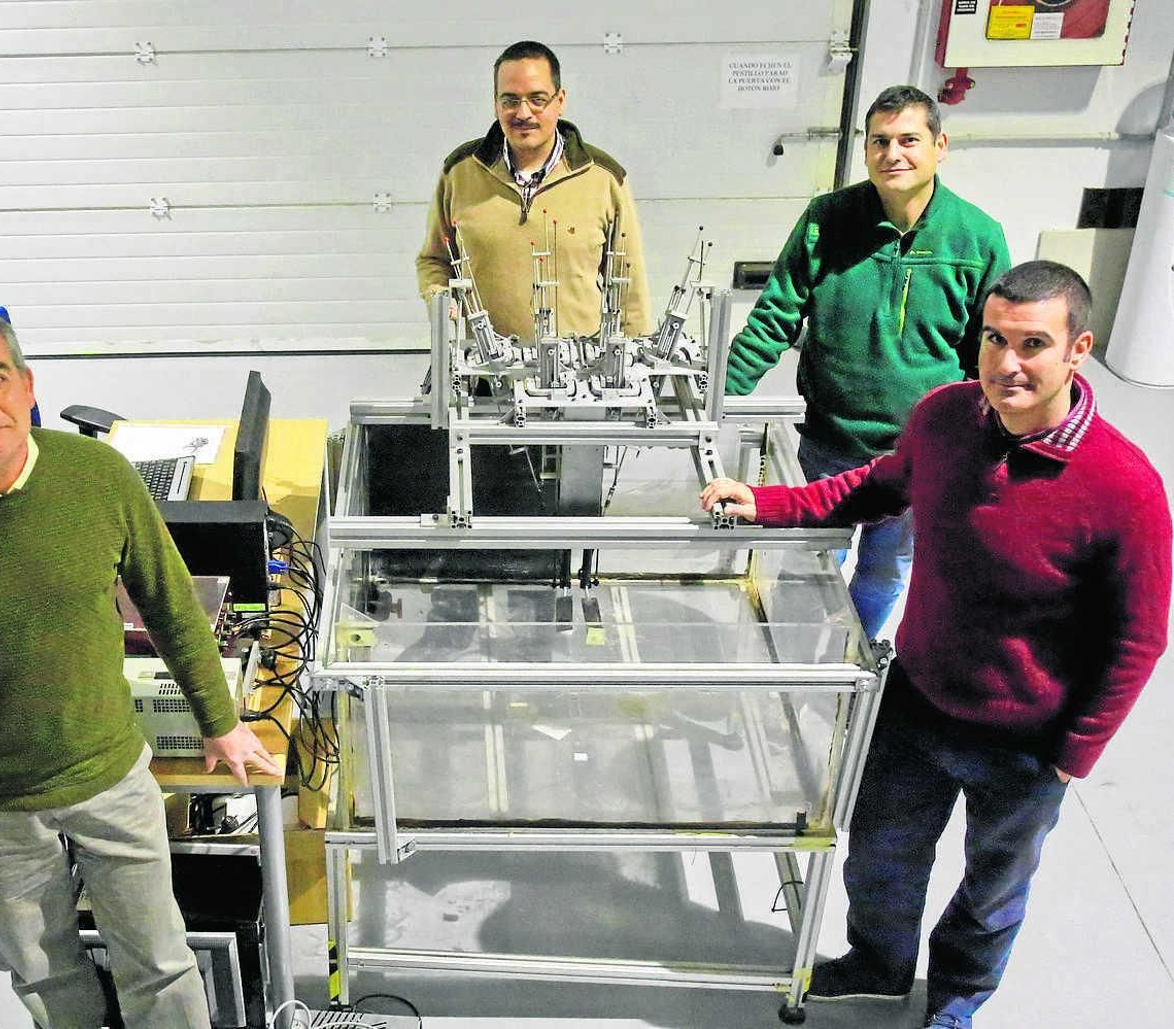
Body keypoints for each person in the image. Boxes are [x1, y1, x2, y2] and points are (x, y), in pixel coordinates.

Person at [701, 261, 1171, 1029]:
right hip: (917, 700)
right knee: (880, 855)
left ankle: (956, 998)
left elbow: (1139, 636)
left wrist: (1073, 750)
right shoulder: (946, 417)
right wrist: (769, 501)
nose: (1006, 363)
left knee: (993, 887)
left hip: (1026, 738)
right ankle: (880, 965)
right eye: (994, 338)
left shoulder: (1123, 484)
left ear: (1079, 349)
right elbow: (874, 488)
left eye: (1032, 344)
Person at [0, 309, 281, 1028]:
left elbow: (171, 605)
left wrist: (221, 720)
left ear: (26, 385)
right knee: (48, 977)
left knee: (161, 963)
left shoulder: (97, 477)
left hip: (110, 776)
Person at [723, 84, 1011, 638]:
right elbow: (775, 318)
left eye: (908, 139)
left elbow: (990, 355)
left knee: (884, 570)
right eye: (880, 141)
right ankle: (794, 664)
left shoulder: (977, 237)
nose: (892, 154)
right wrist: (716, 399)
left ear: (939, 145)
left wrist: (980, 445)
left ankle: (851, 663)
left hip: (915, 451)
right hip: (830, 440)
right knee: (810, 568)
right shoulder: (827, 220)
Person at [417, 39, 652, 340]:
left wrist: (637, 368)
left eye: (537, 99)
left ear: (560, 100)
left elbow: (629, 288)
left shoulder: (604, 178)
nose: (523, 113)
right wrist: (440, 298)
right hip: (487, 376)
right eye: (510, 100)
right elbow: (434, 261)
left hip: (577, 377)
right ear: (495, 103)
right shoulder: (459, 173)